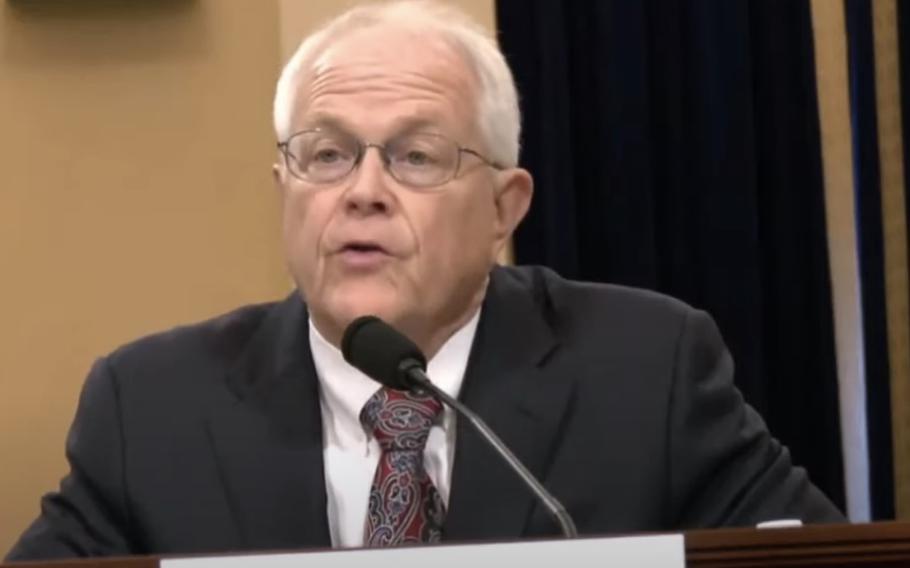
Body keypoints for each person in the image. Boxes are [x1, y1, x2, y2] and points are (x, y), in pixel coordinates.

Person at [6, 0, 844, 560]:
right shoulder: (151, 406)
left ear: (502, 208)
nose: (362, 191)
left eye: (415, 156)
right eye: (326, 154)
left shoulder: (646, 370)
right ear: (284, 192)